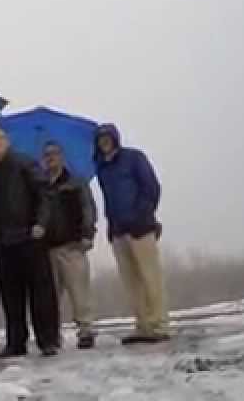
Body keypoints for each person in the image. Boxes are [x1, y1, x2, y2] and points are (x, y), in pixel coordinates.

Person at [0, 126, 60, 357]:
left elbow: (44, 195)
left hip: (30, 237)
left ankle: (48, 340)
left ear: (7, 141)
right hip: (3, 241)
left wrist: (41, 223)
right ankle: (16, 341)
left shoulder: (25, 164)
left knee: (41, 292)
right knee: (11, 295)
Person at [95, 123, 169, 344]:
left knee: (150, 277)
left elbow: (151, 188)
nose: (104, 142)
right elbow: (109, 198)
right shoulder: (102, 168)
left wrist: (142, 214)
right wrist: (110, 225)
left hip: (141, 227)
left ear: (115, 138)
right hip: (118, 230)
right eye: (100, 139)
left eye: (107, 138)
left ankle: (159, 324)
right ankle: (143, 325)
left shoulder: (134, 158)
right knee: (131, 282)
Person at [43, 141, 98, 349]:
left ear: (62, 156)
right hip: (48, 247)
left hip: (72, 244)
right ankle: (52, 334)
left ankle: (85, 330)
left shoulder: (76, 182)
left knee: (79, 291)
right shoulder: (41, 185)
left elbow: (88, 208)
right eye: (47, 155)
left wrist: (88, 233)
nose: (51, 158)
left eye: (54, 154)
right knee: (50, 296)